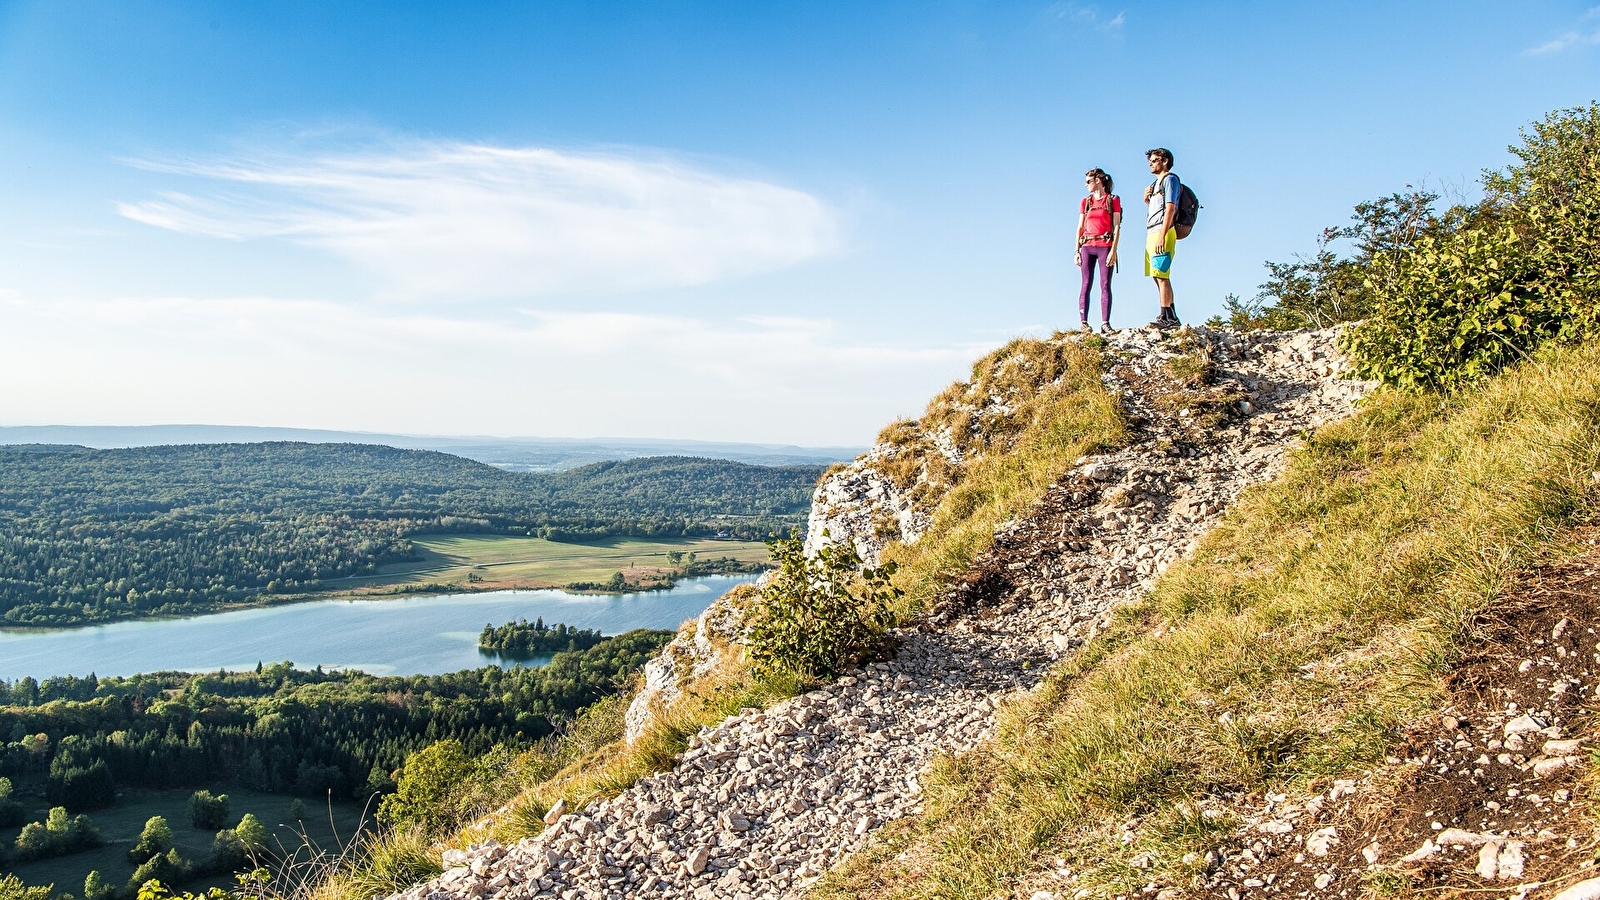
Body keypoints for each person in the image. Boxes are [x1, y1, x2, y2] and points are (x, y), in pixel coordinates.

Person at [1075, 168, 1121, 333]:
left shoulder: (1112, 200)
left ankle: (1105, 323)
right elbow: (1080, 227)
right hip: (1087, 246)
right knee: (1085, 284)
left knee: (1105, 284)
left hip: (1105, 246)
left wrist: (1113, 251)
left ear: (1098, 181)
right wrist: (1076, 251)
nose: (1086, 185)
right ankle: (1084, 323)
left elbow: (1116, 226)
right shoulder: (1085, 202)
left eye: (1089, 181)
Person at [1142, 147, 1180, 328]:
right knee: (1156, 275)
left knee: (1162, 274)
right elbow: (1158, 209)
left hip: (1162, 232)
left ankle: (1167, 317)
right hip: (1152, 231)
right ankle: (1169, 313)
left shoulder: (1170, 180)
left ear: (1165, 161)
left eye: (1154, 160)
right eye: (1150, 160)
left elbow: (1170, 208)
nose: (1151, 163)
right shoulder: (1155, 184)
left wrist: (1162, 236)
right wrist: (1147, 202)